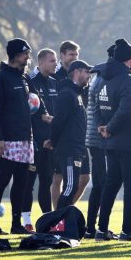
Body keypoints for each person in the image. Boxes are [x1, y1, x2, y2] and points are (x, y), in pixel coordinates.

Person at [96, 38, 131, 241]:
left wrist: (104, 128)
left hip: (112, 143)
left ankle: (102, 230)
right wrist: (109, 128)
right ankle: (127, 232)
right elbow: (126, 109)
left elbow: (99, 106)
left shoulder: (104, 79)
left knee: (110, 186)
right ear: (129, 60)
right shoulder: (129, 80)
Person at [0, 38, 38, 235]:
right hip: (8, 139)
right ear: (16, 55)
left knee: (22, 183)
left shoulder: (24, 79)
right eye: (25, 53)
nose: (28, 57)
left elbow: (32, 104)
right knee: (3, 180)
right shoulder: (0, 79)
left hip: (26, 138)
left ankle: (16, 224)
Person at [49, 60, 91, 209]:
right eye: (86, 72)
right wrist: (53, 141)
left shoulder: (77, 94)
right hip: (69, 149)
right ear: (77, 72)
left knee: (72, 185)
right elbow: (58, 121)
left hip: (77, 148)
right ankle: (56, 222)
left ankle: (63, 219)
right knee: (70, 186)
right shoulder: (67, 94)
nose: (89, 76)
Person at [25, 48, 59, 229]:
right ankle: (26, 221)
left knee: (46, 181)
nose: (56, 64)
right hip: (35, 143)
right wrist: (38, 140)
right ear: (41, 63)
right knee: (28, 182)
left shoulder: (55, 83)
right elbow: (31, 117)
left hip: (51, 143)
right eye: (52, 61)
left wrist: (53, 138)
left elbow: (55, 115)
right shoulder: (30, 82)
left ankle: (47, 221)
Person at [84, 44, 114, 237]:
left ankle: (92, 227)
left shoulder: (99, 76)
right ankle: (93, 227)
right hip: (99, 138)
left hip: (95, 138)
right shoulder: (105, 77)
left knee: (100, 184)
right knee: (101, 184)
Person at [51, 40, 80, 203]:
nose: (74, 58)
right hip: (61, 135)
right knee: (58, 178)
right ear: (62, 55)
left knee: (83, 179)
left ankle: (65, 210)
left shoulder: (82, 75)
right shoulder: (55, 77)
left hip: (78, 136)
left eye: (76, 55)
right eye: (71, 55)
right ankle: (57, 217)